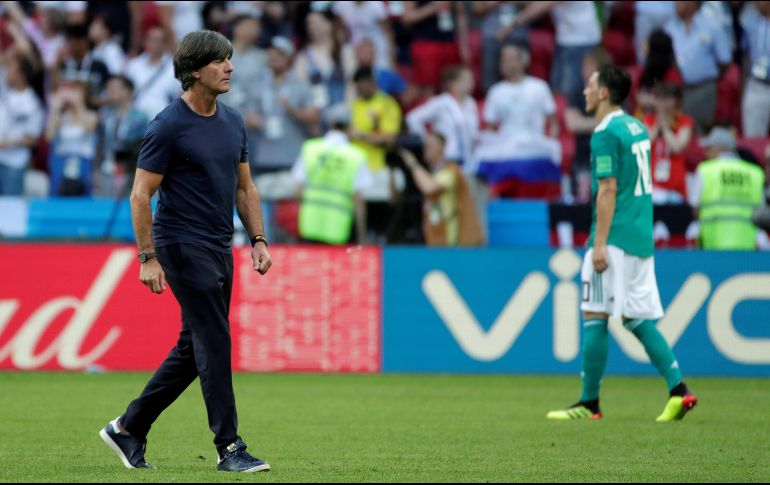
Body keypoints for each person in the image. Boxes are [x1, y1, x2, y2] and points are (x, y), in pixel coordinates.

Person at [99, 30, 272, 473]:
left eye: (230, 59)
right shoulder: (167, 125)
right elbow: (141, 195)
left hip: (219, 245)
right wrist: (147, 257)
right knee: (214, 341)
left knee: (192, 347)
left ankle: (128, 427)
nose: (230, 67)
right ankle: (229, 448)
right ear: (195, 71)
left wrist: (258, 239)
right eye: (221, 61)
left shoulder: (232, 121)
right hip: (180, 244)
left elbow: (244, 186)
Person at [547, 64, 698, 422]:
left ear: (603, 93)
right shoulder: (636, 127)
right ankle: (679, 390)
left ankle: (589, 403)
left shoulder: (605, 133)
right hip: (640, 237)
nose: (584, 91)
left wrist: (598, 244)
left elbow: (609, 189)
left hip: (613, 238)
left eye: (589, 86)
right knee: (637, 318)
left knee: (595, 314)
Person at [292, 103, 372, 245]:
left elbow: (297, 190)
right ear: (349, 126)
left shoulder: (310, 148)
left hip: (310, 225)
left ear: (329, 124)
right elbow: (358, 200)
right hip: (338, 228)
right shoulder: (356, 156)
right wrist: (362, 236)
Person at [688, 127, 766, 250]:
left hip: (713, 247)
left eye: (709, 148)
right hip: (747, 251)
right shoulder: (755, 173)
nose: (705, 152)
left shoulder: (705, 170)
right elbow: (761, 212)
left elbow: (695, 209)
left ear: (719, 148)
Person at [399, 132, 483, 246]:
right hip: (436, 241)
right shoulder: (431, 174)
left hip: (455, 243)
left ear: (442, 147)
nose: (425, 149)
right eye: (424, 146)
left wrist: (412, 163)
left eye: (429, 145)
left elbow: (429, 187)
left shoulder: (452, 171)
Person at [664, 1, 731, 133]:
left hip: (703, 88)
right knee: (675, 132)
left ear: (692, 3)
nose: (675, 4)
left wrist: (705, 75)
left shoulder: (712, 27)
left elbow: (725, 60)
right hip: (675, 91)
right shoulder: (669, 27)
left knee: (700, 131)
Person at [95, 75, 149, 198]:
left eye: (114, 88)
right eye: (108, 88)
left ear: (127, 91)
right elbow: (100, 146)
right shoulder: (106, 117)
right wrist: (96, 170)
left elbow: (141, 146)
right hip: (107, 170)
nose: (110, 91)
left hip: (130, 172)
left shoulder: (140, 118)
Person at [642, 83, 693, 204]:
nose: (663, 103)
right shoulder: (648, 120)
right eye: (659, 98)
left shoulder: (684, 122)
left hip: (675, 190)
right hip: (652, 189)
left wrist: (665, 127)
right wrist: (657, 125)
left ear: (677, 101)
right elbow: (644, 145)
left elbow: (677, 147)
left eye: (667, 98)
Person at [0, 55, 44, 196]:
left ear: (21, 75)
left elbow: (33, 139)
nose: (6, 71)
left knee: (10, 207)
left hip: (14, 163)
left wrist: (9, 143)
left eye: (11, 69)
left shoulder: (32, 103)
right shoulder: (4, 91)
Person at [740, 1, 770, 137]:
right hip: (757, 84)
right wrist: (744, 86)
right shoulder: (749, 22)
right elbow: (745, 56)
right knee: (753, 136)